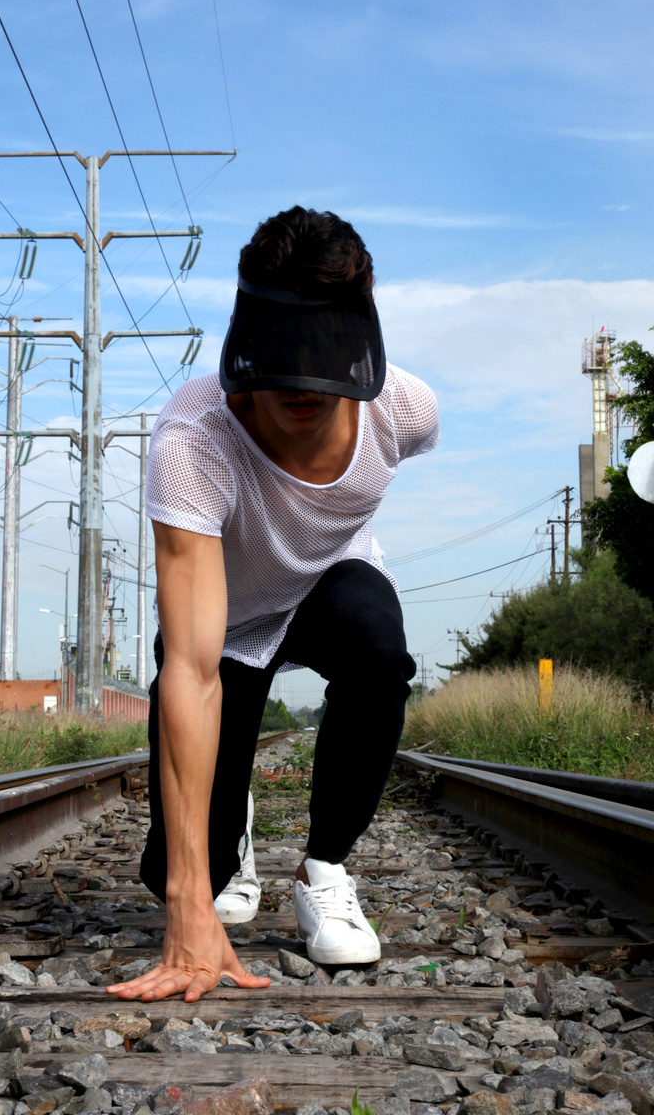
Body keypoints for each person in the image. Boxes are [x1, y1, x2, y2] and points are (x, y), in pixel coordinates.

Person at [106, 206, 439, 1004]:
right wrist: (189, 904)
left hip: (328, 579)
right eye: (282, 357)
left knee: (377, 644)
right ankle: (232, 839)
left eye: (321, 355)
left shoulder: (405, 411)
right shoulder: (194, 440)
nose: (299, 386)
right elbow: (189, 668)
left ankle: (323, 869)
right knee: (181, 875)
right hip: (233, 616)